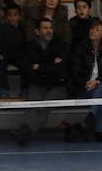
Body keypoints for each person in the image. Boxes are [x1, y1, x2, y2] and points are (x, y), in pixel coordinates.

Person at [11, 18, 68, 146]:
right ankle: (25, 133)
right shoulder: (29, 46)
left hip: (57, 85)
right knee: (31, 107)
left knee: (44, 106)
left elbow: (61, 69)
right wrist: (50, 66)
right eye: (45, 28)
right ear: (37, 31)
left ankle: (25, 133)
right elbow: (26, 68)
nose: (49, 31)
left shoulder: (61, 45)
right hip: (37, 83)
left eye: (50, 28)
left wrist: (40, 67)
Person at [69, 20, 102, 141]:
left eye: (97, 30)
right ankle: (98, 129)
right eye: (92, 28)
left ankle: (92, 115)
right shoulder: (80, 47)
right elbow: (75, 71)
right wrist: (86, 83)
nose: (92, 31)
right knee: (101, 96)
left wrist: (97, 81)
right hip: (84, 87)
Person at [0, 4, 27, 97]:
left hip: (17, 55)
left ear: (19, 16)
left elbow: (25, 46)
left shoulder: (23, 29)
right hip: (2, 55)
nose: (12, 18)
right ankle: (4, 89)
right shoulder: (0, 28)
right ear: (6, 16)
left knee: (25, 64)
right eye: (10, 15)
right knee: (1, 65)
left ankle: (24, 89)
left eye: (15, 15)